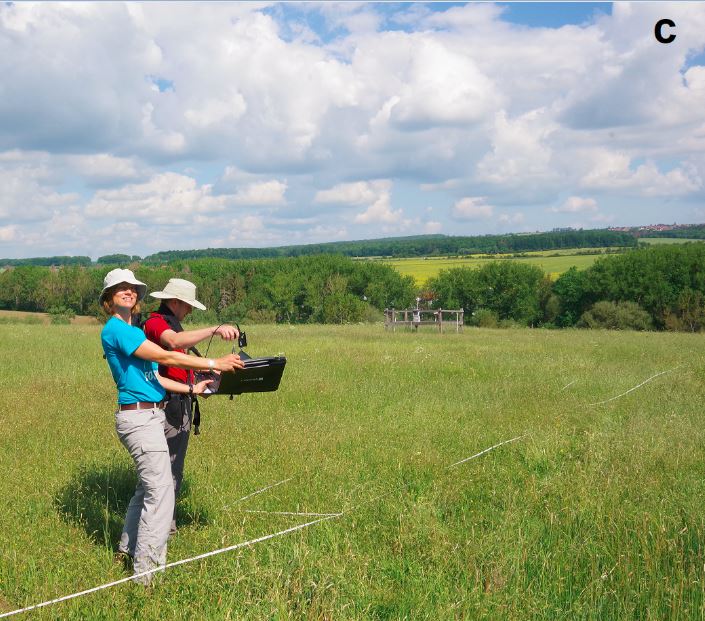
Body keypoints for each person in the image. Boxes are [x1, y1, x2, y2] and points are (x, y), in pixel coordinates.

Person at [99, 268, 244, 585]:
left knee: (147, 488)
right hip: (138, 417)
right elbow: (170, 355)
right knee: (162, 493)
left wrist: (195, 388)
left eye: (133, 287)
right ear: (109, 299)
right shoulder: (116, 330)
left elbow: (158, 377)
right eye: (120, 288)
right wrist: (214, 363)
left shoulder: (134, 331)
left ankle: (125, 550)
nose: (129, 291)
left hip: (149, 414)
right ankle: (146, 576)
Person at [143, 278, 240, 535]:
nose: (189, 311)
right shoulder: (156, 323)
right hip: (165, 406)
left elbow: (178, 366)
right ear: (175, 302)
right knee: (164, 472)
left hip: (181, 403)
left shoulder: (173, 325)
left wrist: (204, 385)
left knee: (173, 470)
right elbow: (173, 343)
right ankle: (162, 530)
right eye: (188, 306)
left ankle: (164, 526)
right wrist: (214, 330)